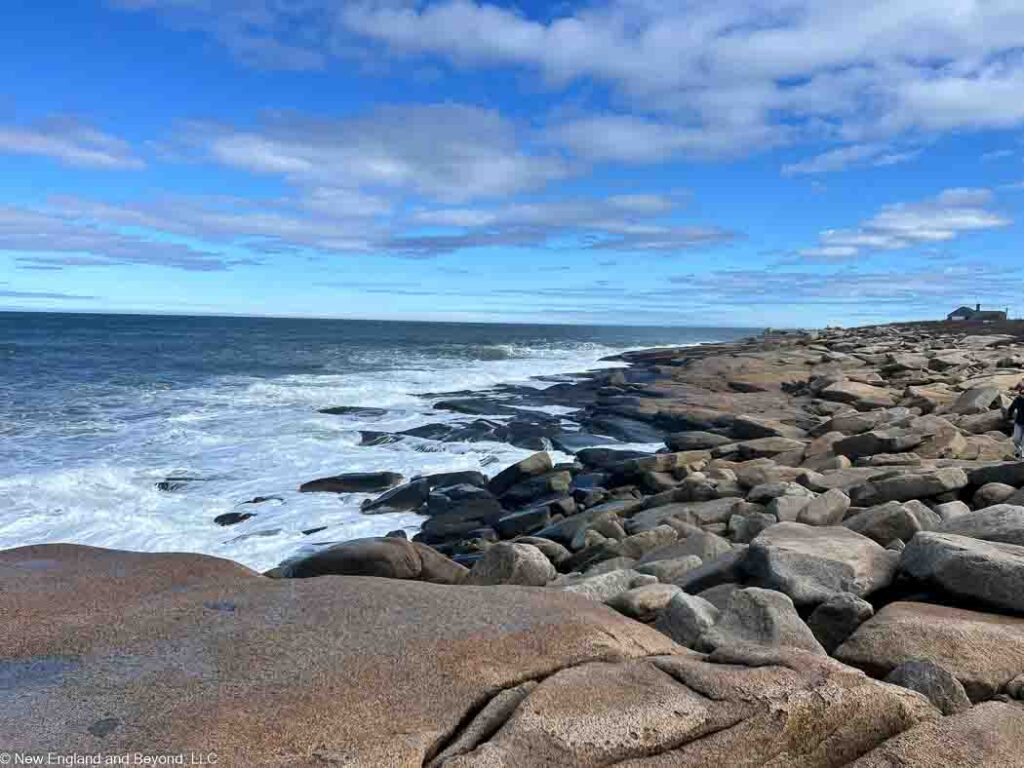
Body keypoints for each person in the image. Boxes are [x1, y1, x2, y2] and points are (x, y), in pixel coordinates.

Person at [1009, 382, 1024, 459]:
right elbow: (1011, 409)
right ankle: (1019, 451)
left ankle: (1022, 456)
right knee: (1016, 439)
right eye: (1021, 392)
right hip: (1019, 422)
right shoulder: (1018, 400)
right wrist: (1010, 417)